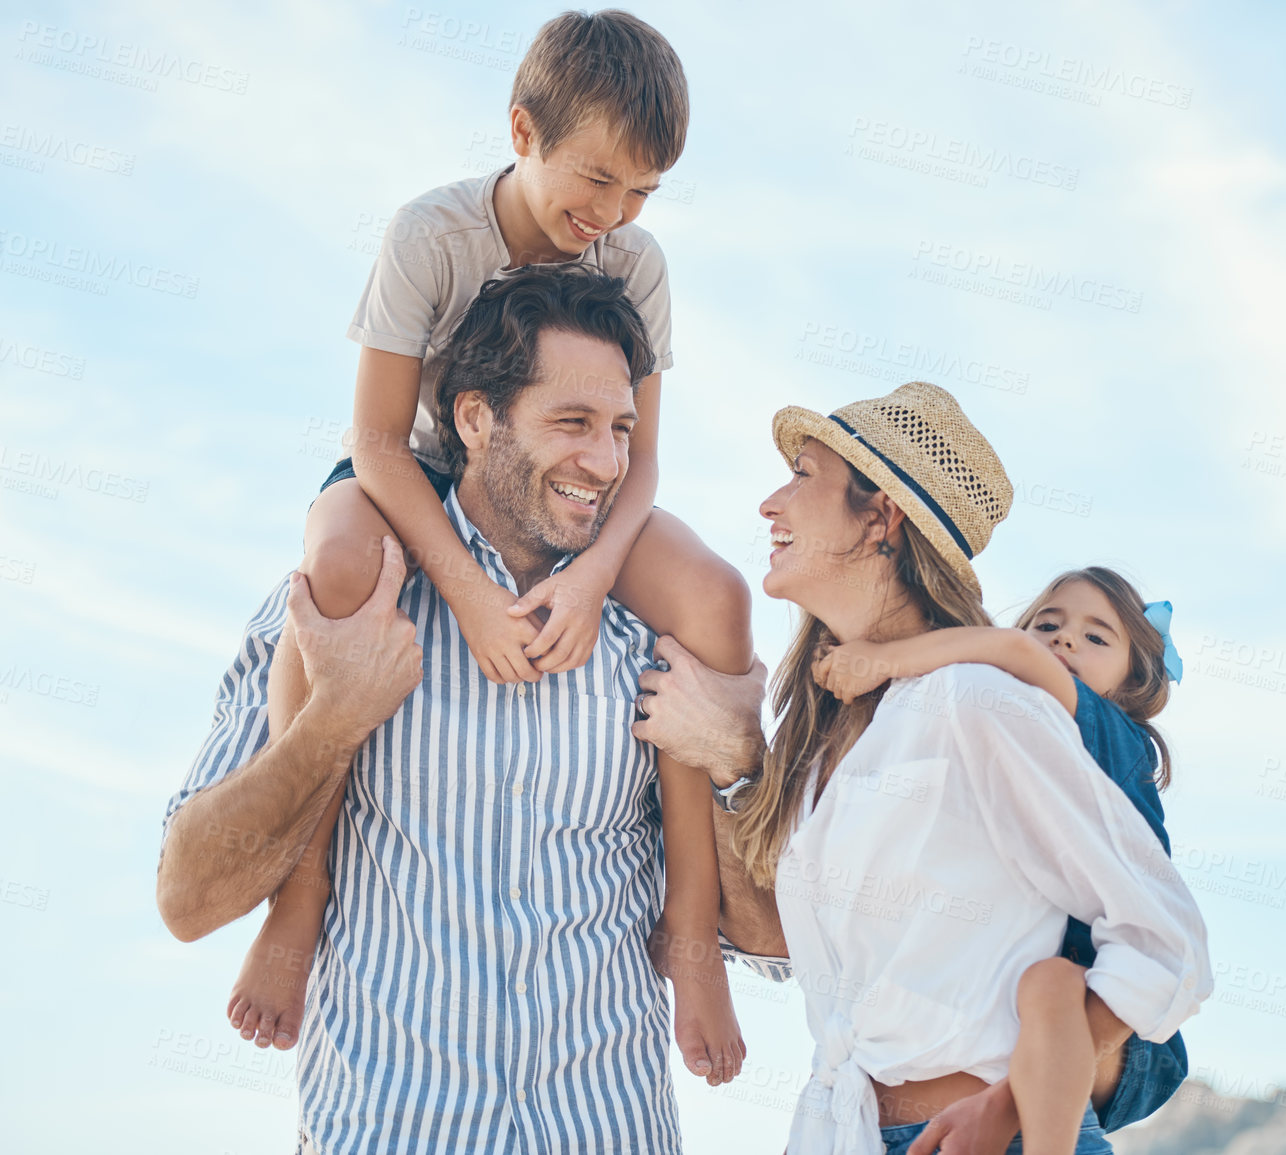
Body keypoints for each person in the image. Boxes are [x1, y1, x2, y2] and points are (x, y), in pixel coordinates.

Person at [226, 10, 750, 1080]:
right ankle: (302, 890)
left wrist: (600, 574)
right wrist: (461, 587)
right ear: (523, 129)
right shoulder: (431, 234)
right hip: (416, 466)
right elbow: (372, 437)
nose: (611, 214)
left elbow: (640, 462)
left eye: (641, 192)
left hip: (576, 489)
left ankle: (693, 931)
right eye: (597, 179)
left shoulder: (635, 264)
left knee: (716, 599)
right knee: (336, 566)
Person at [157, 266, 730, 1154]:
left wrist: (742, 749)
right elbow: (186, 897)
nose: (608, 462)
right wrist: (333, 720)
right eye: (571, 423)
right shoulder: (345, 607)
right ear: (474, 418)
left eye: (621, 429)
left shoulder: (653, 633)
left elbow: (776, 913)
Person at [634, 381, 1213, 1155]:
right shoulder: (833, 742)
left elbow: (1165, 937)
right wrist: (734, 763)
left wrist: (1007, 1108)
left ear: (881, 517)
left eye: (804, 475)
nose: (771, 502)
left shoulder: (977, 701)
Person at [810, 568, 1190, 1153]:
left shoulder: (1105, 724)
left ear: (1130, 680)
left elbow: (1010, 650)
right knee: (1040, 984)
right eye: (1049, 624)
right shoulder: (1020, 727)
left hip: (1119, 1018)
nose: (1064, 641)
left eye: (1097, 637)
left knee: (1049, 983)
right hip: (1050, 1019)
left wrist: (882, 659)